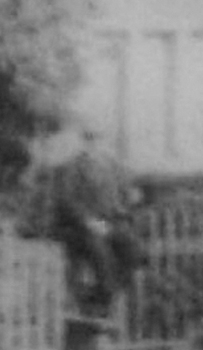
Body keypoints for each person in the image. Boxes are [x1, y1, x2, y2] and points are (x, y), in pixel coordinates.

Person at [50, 120, 141, 314]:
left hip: (112, 223)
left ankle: (104, 293)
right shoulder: (73, 167)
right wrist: (89, 222)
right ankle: (102, 301)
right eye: (90, 139)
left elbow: (126, 194)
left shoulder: (113, 165)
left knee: (133, 250)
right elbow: (67, 200)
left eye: (99, 138)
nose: (95, 143)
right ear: (84, 141)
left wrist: (126, 209)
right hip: (82, 227)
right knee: (101, 252)